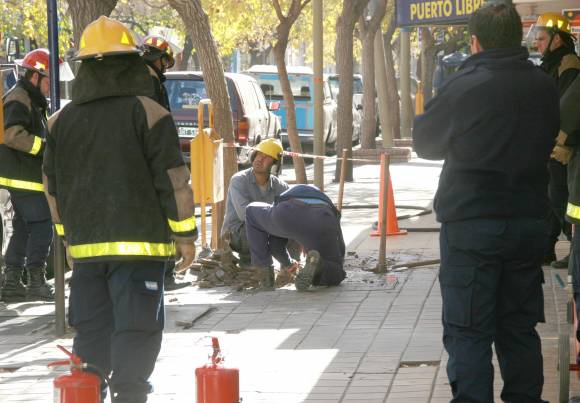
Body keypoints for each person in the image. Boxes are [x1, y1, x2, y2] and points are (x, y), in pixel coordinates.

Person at [42, 16, 197, 403]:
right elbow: (173, 180)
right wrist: (185, 236)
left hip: (86, 253)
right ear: (131, 63)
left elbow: (53, 190)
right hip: (139, 252)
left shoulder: (60, 121)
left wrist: (69, 241)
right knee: (135, 331)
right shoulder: (149, 113)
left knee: (91, 333)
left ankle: (87, 393)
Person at [413, 3, 559, 403]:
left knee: (470, 330)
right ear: (518, 37)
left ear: (474, 41)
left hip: (473, 226)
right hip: (528, 225)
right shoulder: (544, 85)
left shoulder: (466, 85)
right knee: (518, 327)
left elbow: (425, 142)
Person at [0, 49, 63, 302]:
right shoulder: (19, 97)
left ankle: (12, 282)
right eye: (48, 80)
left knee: (23, 227)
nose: (51, 86)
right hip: (22, 175)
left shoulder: (29, 96)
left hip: (24, 175)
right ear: (35, 75)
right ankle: (36, 280)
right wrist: (45, 148)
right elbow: (13, 134)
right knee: (42, 224)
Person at [142, 35, 188, 291]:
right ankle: (166, 275)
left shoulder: (139, 78)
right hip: (155, 160)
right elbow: (157, 123)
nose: (165, 67)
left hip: (143, 162)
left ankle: (163, 273)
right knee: (166, 214)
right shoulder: (149, 81)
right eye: (164, 61)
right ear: (156, 58)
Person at [534, 12, 580, 268]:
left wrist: (559, 145)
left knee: (561, 198)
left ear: (557, 40)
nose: (537, 44)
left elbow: (567, 109)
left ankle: (574, 249)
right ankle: (547, 248)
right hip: (548, 144)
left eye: (542, 39)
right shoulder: (550, 64)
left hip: (562, 148)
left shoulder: (569, 64)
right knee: (550, 197)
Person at [245, 184, 346, 291]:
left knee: (251, 211)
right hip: (323, 217)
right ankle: (319, 266)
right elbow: (341, 246)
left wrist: (288, 263)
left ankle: (265, 276)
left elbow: (276, 246)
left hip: (287, 212)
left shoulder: (286, 197)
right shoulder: (327, 203)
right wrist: (338, 262)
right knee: (336, 271)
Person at [221, 138, 288, 266]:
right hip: (237, 235)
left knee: (291, 225)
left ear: (275, 164)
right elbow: (245, 215)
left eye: (267, 157)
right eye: (258, 154)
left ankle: (291, 269)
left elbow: (292, 212)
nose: (259, 159)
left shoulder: (280, 186)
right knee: (254, 228)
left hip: (265, 230)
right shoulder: (239, 180)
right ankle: (261, 269)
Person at [142, 35, 174, 111]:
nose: (165, 69)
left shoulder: (137, 75)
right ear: (159, 58)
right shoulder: (152, 81)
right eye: (166, 62)